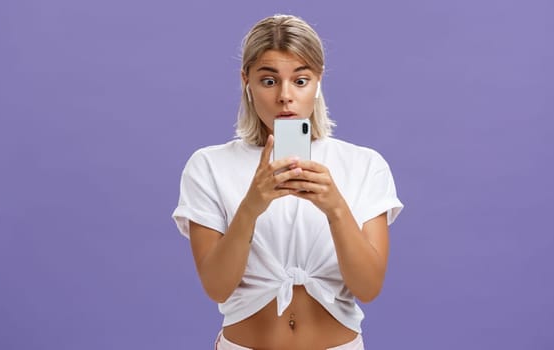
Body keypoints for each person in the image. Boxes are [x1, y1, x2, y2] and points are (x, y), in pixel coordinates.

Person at [172, 14, 403, 350]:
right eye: (269, 81)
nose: (285, 96)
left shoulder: (364, 165)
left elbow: (368, 288)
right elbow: (217, 287)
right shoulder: (208, 166)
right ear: (246, 81)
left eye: (300, 80)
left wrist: (335, 208)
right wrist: (252, 205)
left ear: (318, 81)